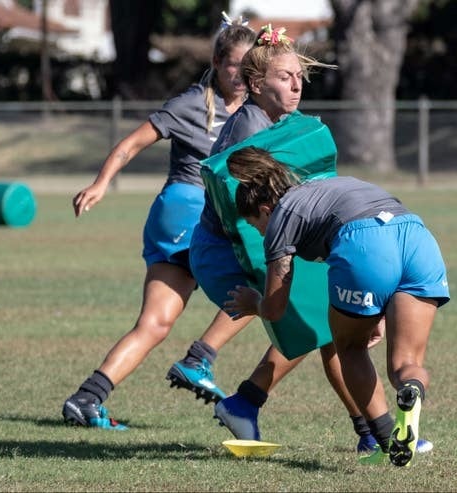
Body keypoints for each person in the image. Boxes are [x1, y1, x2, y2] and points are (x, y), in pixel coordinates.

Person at [168, 24, 427, 454]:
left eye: (298, 76)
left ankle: (257, 405)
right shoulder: (250, 126)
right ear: (255, 84)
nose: (296, 84)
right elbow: (240, 207)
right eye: (283, 76)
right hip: (230, 247)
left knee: (333, 325)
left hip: (261, 236)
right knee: (328, 322)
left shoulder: (280, 120)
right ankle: (372, 435)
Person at [60, 15, 257, 429]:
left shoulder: (255, 111)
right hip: (188, 211)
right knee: (262, 284)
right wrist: (100, 184)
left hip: (200, 217)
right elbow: (131, 144)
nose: (240, 74)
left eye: (249, 65)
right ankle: (198, 359)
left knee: (156, 323)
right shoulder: (192, 103)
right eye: (234, 64)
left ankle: (87, 399)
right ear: (218, 62)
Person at [223, 146, 450, 467]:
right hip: (417, 237)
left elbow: (275, 308)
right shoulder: (325, 186)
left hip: (366, 244)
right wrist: (377, 309)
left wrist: (254, 303)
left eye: (256, 226)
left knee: (349, 347)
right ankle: (411, 390)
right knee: (405, 364)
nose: (262, 233)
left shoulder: (282, 217)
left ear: (264, 209)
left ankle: (386, 441)